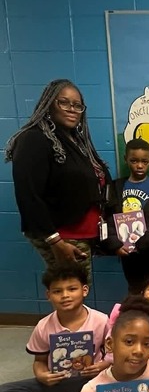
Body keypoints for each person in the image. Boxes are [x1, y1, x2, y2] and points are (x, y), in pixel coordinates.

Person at [6, 78, 110, 283]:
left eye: (77, 105)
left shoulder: (75, 140)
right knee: (72, 294)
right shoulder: (33, 139)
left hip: (81, 233)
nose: (72, 109)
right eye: (64, 102)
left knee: (77, 290)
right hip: (63, 235)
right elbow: (28, 195)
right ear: (48, 104)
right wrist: (55, 241)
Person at [0, 263, 109, 392]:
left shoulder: (102, 321)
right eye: (57, 291)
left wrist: (101, 366)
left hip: (92, 381)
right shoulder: (43, 326)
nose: (65, 295)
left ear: (84, 290)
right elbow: (39, 362)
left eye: (72, 289)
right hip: (58, 381)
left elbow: (114, 356)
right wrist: (42, 375)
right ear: (48, 295)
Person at [103, 139, 149, 293]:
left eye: (144, 161)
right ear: (126, 160)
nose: (139, 165)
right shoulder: (116, 187)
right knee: (135, 291)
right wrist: (115, 244)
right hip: (128, 256)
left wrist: (141, 243)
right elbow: (107, 219)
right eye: (134, 161)